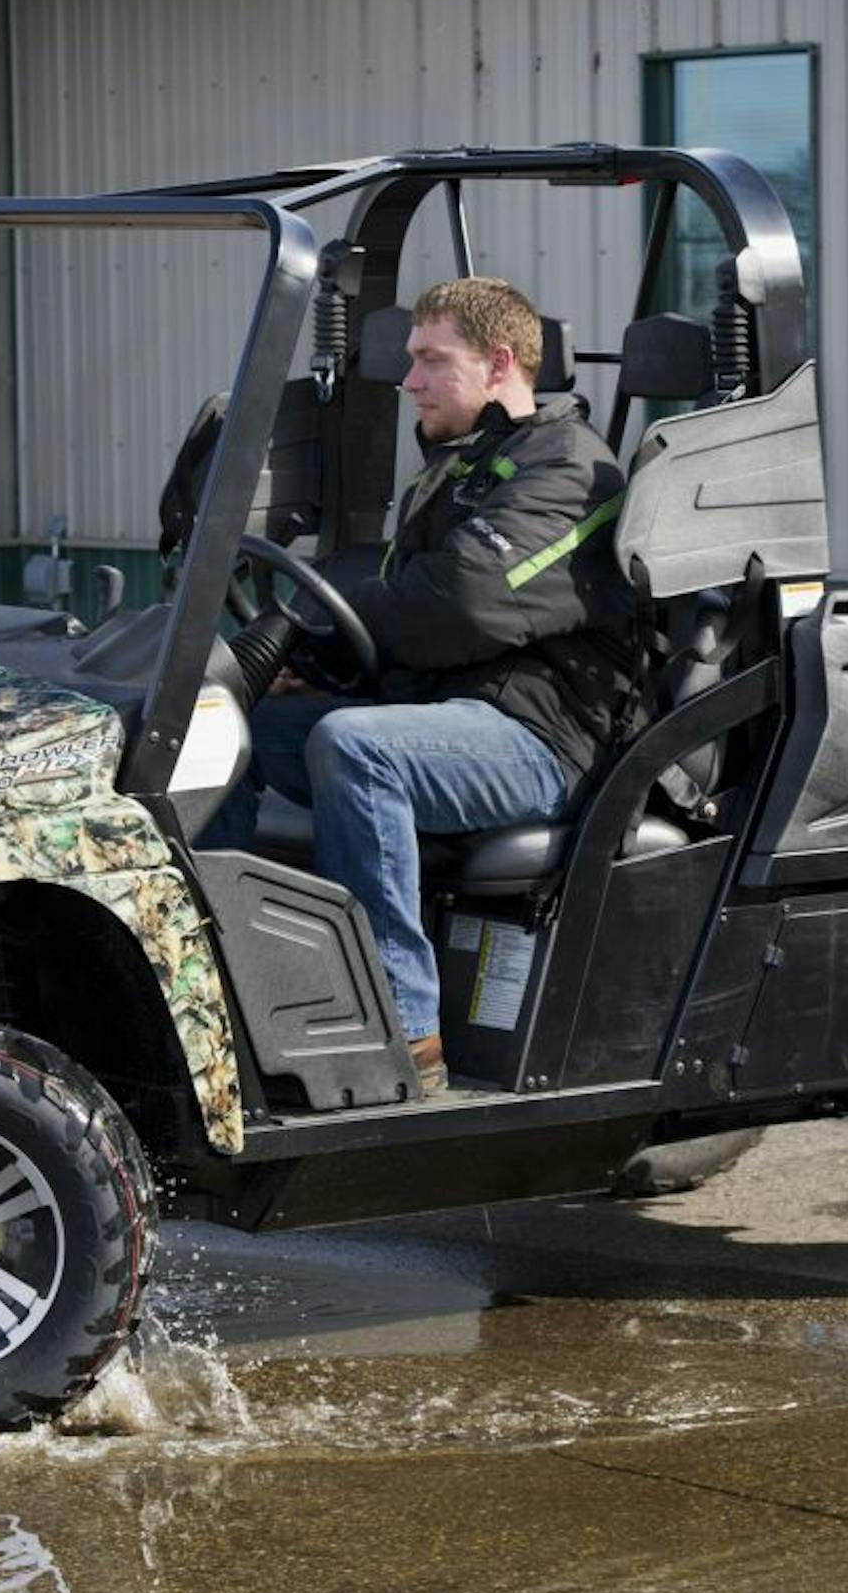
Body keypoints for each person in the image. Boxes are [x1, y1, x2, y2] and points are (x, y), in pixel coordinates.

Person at [203, 277, 639, 1092]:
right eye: (410, 361)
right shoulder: (463, 469)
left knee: (358, 747)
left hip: (541, 741)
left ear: (499, 362)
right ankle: (213, 985)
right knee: (227, 732)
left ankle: (398, 1028)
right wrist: (321, 664)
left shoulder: (572, 470)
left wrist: (338, 626)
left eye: (431, 361)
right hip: (448, 718)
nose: (409, 382)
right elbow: (412, 615)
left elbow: (464, 603)